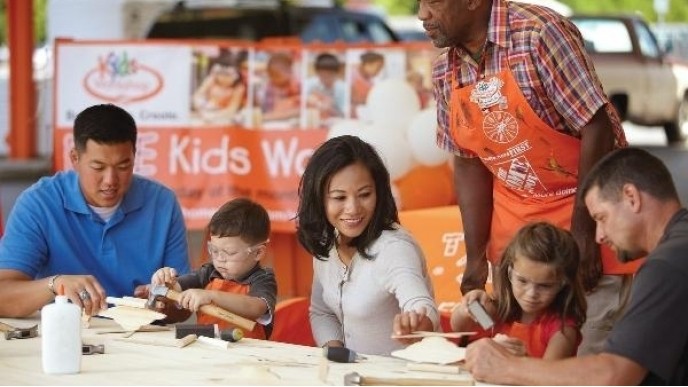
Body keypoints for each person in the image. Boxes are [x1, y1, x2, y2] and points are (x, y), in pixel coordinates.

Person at [419, 0, 640, 355]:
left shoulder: (539, 34)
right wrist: (475, 256)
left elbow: (596, 127)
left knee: (581, 357)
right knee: (517, 353)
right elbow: (468, 161)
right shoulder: (445, 70)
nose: (422, 14)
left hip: (588, 221)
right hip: (517, 241)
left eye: (433, 3)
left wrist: (583, 236)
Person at [465, 147, 688, 385]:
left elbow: (614, 374)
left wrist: (507, 367)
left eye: (601, 218)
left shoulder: (667, 266)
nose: (599, 236)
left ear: (631, 197)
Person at [0, 103, 190, 317]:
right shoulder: (39, 203)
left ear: (135, 156)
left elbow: (182, 308)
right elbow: (3, 296)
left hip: (141, 338)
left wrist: (164, 302)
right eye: (98, 167)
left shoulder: (162, 203)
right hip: (66, 334)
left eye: (123, 166)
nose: (110, 180)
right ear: (75, 158)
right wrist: (55, 284)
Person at [296, 135, 439, 356]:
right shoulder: (327, 242)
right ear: (319, 199)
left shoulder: (394, 248)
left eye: (364, 195)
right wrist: (335, 355)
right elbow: (322, 312)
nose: (353, 208)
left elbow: (419, 303)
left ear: (379, 193)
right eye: (339, 197)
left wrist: (418, 324)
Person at [451, 221, 586, 359]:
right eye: (522, 281)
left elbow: (548, 377)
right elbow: (460, 328)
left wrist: (523, 359)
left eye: (544, 286)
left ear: (563, 284)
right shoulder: (499, 310)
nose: (531, 294)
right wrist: (469, 307)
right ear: (510, 273)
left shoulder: (562, 330)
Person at [152, 197, 276, 339]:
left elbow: (256, 308)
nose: (220, 259)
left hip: (247, 351)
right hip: (208, 348)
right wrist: (166, 282)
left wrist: (211, 296)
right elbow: (176, 288)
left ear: (258, 252)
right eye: (214, 250)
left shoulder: (263, 278)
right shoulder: (208, 273)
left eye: (230, 252)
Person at [191, 50, 247, 125]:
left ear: (235, 76)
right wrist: (203, 109)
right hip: (206, 112)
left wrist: (214, 116)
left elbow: (231, 110)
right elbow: (197, 96)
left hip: (227, 117)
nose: (223, 79)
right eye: (221, 75)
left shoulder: (239, 88)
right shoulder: (211, 80)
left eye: (228, 76)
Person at [256, 51, 301, 127]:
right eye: (271, 74)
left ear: (289, 70)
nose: (272, 78)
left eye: (276, 75)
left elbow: (299, 111)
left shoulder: (297, 85)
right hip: (270, 123)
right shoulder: (269, 87)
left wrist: (268, 117)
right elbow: (266, 109)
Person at [304, 52, 346, 127]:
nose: (326, 79)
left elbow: (344, 114)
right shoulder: (310, 84)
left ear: (336, 73)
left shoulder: (342, 88)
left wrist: (330, 109)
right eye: (323, 75)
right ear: (317, 73)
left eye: (329, 75)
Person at [350, 51, 385, 119]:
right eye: (378, 68)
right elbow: (354, 98)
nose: (379, 72)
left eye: (381, 69)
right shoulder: (351, 74)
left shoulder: (371, 83)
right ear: (367, 64)